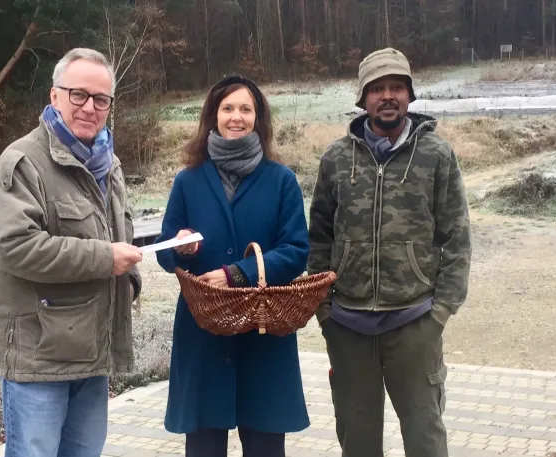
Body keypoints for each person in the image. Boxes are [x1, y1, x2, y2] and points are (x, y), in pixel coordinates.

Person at [307, 47, 472, 457]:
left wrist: (441, 311)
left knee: (425, 438)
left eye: (396, 87)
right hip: (348, 325)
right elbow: (319, 238)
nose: (387, 96)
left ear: (409, 95)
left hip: (415, 322)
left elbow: (457, 238)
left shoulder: (436, 155)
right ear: (362, 98)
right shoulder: (335, 158)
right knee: (358, 442)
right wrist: (324, 309)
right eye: (377, 88)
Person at [0, 47, 144, 457]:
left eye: (101, 99)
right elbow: (14, 246)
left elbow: (118, 230)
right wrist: (106, 259)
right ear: (54, 96)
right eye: (78, 94)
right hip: (39, 361)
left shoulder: (109, 164)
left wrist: (131, 277)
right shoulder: (23, 162)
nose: (90, 107)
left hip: (91, 355)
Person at [154, 75, 310, 457]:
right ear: (213, 116)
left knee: (265, 448)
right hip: (204, 332)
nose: (236, 117)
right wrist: (183, 249)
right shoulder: (188, 181)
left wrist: (237, 274)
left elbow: (296, 250)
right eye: (228, 108)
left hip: (264, 331)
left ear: (258, 118)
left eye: (245, 109)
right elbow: (164, 250)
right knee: (205, 447)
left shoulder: (281, 180)